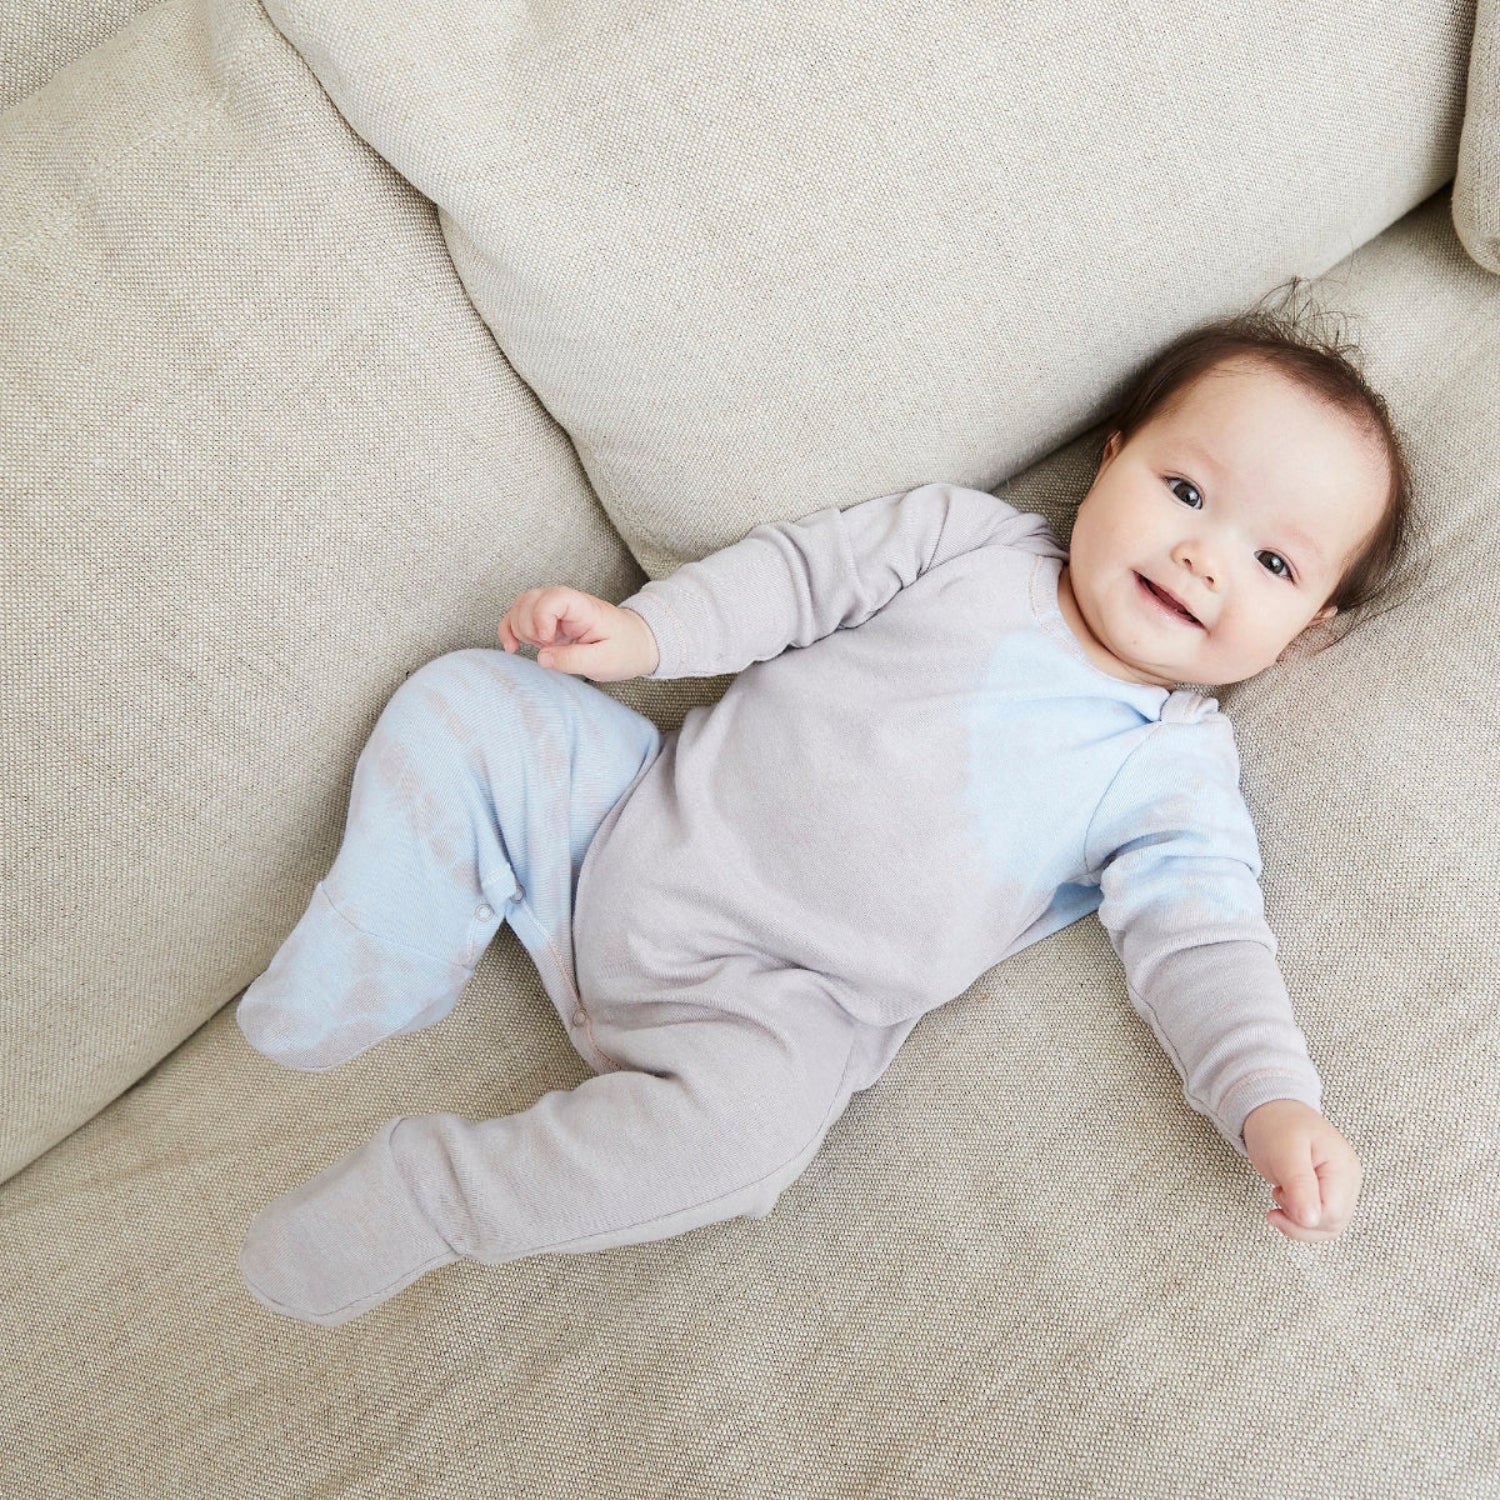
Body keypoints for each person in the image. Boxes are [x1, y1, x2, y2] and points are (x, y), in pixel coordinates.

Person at [236, 284, 1412, 1327]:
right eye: (1187, 489)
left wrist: (1274, 1105)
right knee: (468, 702)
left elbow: (1203, 941)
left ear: (1304, 635)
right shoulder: (967, 542)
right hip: (624, 820)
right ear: (1111, 458)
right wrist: (648, 634)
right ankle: (385, 952)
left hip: (774, 1008)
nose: (1206, 554)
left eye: (1273, 564)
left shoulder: (1172, 772)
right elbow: (796, 580)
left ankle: (436, 1197)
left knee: (749, 1148)